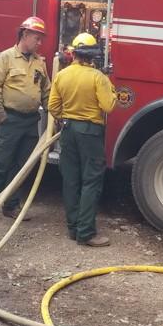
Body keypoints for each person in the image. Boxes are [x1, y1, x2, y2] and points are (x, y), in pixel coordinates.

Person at [48, 32, 116, 246]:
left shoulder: (62, 75)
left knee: (71, 179)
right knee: (91, 181)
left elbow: (53, 107)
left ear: (74, 53)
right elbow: (109, 106)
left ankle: (73, 228)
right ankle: (86, 232)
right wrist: (110, 87)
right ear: (93, 55)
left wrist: (65, 118)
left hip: (68, 131)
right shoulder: (98, 77)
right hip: (90, 133)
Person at [0, 16, 50, 219]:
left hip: (31, 121)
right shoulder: (6, 58)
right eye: (37, 38)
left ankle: (11, 206)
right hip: (11, 120)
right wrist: (1, 115)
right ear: (25, 35)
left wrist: (54, 113)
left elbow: (46, 91)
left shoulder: (39, 62)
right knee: (2, 165)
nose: (40, 43)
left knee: (22, 167)